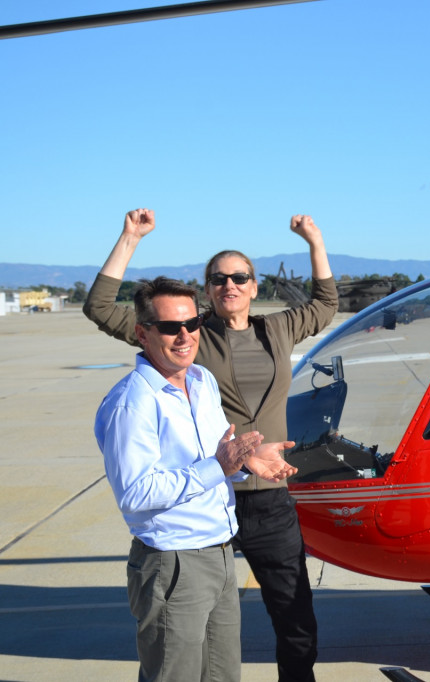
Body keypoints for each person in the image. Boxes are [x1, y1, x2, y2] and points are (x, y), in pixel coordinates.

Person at [84, 208, 338, 682]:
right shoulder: (190, 336)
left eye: (240, 277)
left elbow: (326, 303)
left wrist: (315, 241)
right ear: (207, 290)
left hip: (264, 496)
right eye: (218, 279)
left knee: (294, 617)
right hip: (204, 501)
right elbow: (100, 308)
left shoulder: (274, 330)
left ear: (254, 286)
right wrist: (130, 238)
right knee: (188, 643)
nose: (229, 285)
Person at [94, 276, 298, 682]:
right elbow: (136, 492)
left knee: (224, 675)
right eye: (170, 327)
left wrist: (248, 459)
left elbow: (213, 457)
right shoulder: (132, 402)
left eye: (193, 323)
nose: (185, 335)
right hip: (173, 563)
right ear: (142, 333)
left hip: (220, 552)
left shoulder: (202, 381)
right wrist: (218, 467)